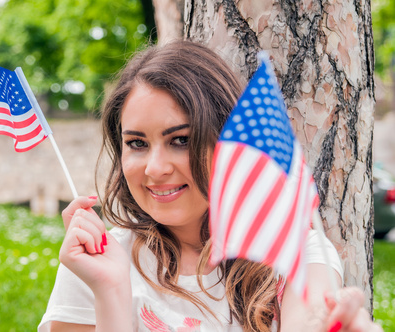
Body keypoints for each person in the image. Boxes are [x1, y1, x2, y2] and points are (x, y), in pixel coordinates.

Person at [38, 41, 382, 332]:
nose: (155, 169)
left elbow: (312, 321)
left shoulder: (295, 252)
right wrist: (110, 291)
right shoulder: (96, 262)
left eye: (181, 140)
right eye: (137, 144)